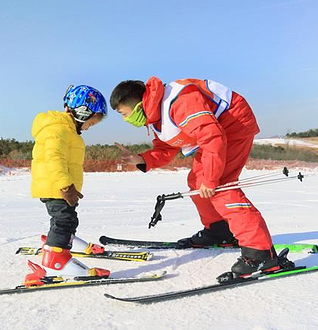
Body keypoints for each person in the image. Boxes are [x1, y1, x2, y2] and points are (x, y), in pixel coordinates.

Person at [110, 77, 294, 276]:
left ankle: (261, 253)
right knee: (197, 183)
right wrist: (140, 159)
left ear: (137, 104)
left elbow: (212, 136)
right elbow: (166, 147)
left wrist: (212, 178)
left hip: (234, 124)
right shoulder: (155, 115)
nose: (125, 119)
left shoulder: (180, 101)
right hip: (217, 134)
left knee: (221, 187)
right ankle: (219, 231)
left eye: (124, 114)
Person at [24, 85, 110, 286]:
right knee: (64, 220)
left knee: (65, 220)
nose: (89, 127)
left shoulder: (66, 130)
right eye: (91, 122)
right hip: (56, 186)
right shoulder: (58, 129)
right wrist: (65, 185)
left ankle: (58, 245)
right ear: (82, 112)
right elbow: (54, 157)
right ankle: (55, 261)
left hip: (58, 186)